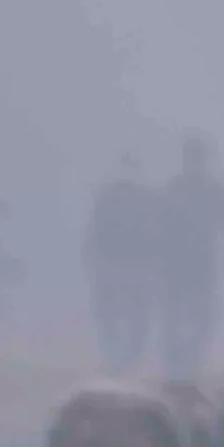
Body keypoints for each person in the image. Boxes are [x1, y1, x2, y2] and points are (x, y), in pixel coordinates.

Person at [156, 135, 224, 380]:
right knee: (197, 313)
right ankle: (187, 359)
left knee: (184, 312)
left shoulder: (175, 187)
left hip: (182, 264)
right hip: (198, 264)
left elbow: (157, 226)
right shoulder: (211, 189)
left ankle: (181, 360)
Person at [85, 157, 161, 373]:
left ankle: (126, 355)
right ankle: (119, 355)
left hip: (133, 265)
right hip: (117, 264)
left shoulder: (142, 198)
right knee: (116, 314)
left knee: (132, 313)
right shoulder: (112, 196)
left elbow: (157, 232)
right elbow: (94, 229)